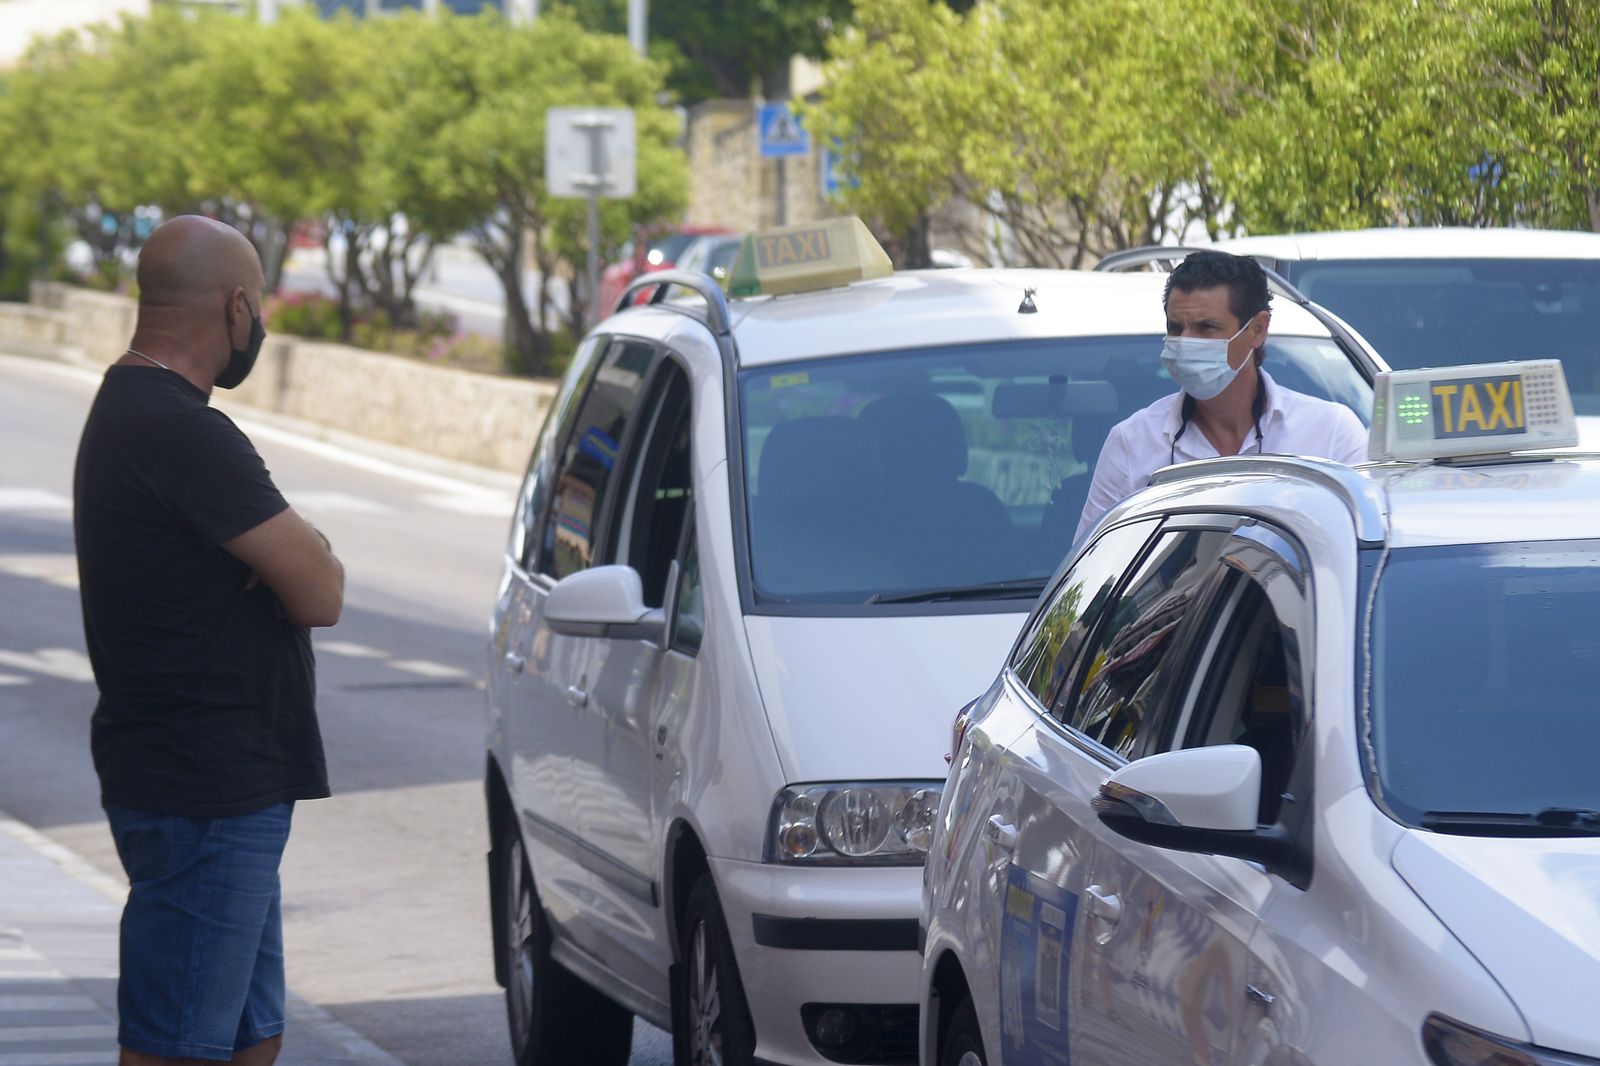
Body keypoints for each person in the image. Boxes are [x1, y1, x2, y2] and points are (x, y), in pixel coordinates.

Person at [73, 215, 345, 1066]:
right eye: (257, 305)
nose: (258, 324)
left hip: (214, 785)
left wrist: (286, 562)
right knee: (179, 1046)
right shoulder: (180, 429)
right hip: (205, 791)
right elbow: (322, 591)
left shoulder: (136, 409)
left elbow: (298, 574)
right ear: (234, 307)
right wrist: (295, 558)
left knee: (248, 1035)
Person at [1076, 249, 1368, 542]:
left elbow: (1369, 549)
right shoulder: (1132, 443)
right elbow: (1096, 560)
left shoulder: (1331, 434)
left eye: (1206, 328)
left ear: (1258, 329)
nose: (1185, 342)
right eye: (1176, 328)